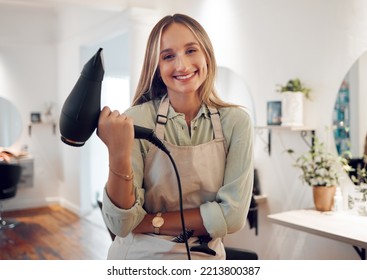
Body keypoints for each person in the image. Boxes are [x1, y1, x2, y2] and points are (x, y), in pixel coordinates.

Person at [97, 13, 254, 260]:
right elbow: (122, 223)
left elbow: (233, 217)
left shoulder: (236, 122)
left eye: (191, 50)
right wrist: (117, 153)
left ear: (206, 56)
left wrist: (151, 221)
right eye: (168, 56)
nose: (181, 65)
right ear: (157, 68)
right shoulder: (136, 120)